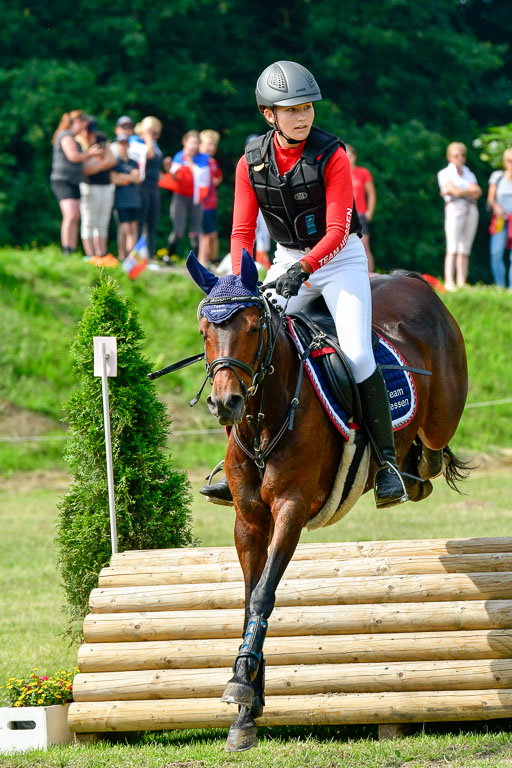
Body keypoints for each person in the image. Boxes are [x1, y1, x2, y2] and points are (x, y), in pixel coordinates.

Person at [201, 60, 408, 510]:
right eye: (291, 109)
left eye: (308, 107)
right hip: (287, 259)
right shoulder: (249, 163)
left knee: (354, 352)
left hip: (339, 260)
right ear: (267, 114)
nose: (304, 116)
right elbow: (240, 233)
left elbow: (337, 229)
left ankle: (388, 463)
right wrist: (240, 282)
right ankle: (234, 461)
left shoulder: (332, 154)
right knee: (253, 342)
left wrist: (304, 270)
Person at [50, 111, 102, 255]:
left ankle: (71, 249)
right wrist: (89, 154)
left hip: (73, 181)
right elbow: (73, 156)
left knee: (75, 216)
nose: (83, 130)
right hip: (63, 180)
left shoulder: (73, 138)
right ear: (77, 122)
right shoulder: (65, 135)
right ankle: (66, 248)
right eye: (83, 125)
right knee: (70, 215)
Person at [437, 142, 482, 291]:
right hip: (455, 208)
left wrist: (459, 190)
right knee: (453, 246)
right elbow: (453, 191)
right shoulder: (445, 173)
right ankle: (450, 281)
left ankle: (462, 281)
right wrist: (467, 190)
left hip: (470, 208)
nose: (460, 158)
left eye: (462, 155)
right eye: (456, 155)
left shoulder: (469, 173)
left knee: (465, 248)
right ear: (450, 157)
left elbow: (478, 192)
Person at [166, 130, 210, 258]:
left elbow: (201, 176)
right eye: (192, 142)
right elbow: (173, 177)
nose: (194, 146)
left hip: (196, 198)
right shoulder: (179, 156)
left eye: (197, 143)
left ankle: (194, 261)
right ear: (185, 142)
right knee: (178, 230)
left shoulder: (203, 158)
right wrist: (168, 168)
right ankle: (169, 256)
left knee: (195, 231)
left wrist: (190, 160)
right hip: (180, 197)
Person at [79, 120, 117, 258]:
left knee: (102, 221)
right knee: (89, 220)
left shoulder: (101, 138)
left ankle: (101, 254)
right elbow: (85, 170)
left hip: (105, 186)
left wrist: (97, 163)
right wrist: (102, 162)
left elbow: (112, 160)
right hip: (89, 186)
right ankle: (90, 254)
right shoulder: (79, 142)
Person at [134, 116, 163, 259]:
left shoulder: (154, 143)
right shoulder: (136, 141)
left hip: (153, 185)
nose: (156, 136)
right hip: (142, 185)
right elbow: (149, 154)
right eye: (154, 132)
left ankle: (150, 255)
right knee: (141, 220)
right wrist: (148, 137)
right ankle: (138, 255)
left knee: (152, 220)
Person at [110, 134, 142, 261]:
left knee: (133, 229)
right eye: (120, 143)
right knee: (125, 230)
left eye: (125, 143)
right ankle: (123, 256)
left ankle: (131, 258)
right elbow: (114, 179)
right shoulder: (115, 162)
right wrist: (130, 177)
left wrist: (123, 177)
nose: (123, 146)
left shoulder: (133, 162)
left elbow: (138, 178)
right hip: (120, 201)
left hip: (134, 200)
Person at [346, 144, 376, 272]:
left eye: (350, 155)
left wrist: (369, 212)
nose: (348, 157)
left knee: (364, 245)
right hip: (345, 214)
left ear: (355, 156)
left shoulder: (363, 172)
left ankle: (369, 274)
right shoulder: (339, 172)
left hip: (360, 214)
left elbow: (372, 194)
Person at [487, 148, 512, 289]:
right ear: (504, 162)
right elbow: (491, 199)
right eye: (509, 161)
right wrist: (497, 207)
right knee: (495, 253)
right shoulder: (497, 176)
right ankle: (499, 285)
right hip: (501, 220)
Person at [197, 130, 223, 268]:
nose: (211, 148)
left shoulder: (213, 162)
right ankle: (203, 261)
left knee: (212, 233)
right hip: (201, 203)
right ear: (200, 144)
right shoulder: (198, 160)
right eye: (208, 144)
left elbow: (218, 177)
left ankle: (213, 261)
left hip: (212, 202)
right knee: (206, 234)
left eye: (214, 145)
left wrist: (215, 181)